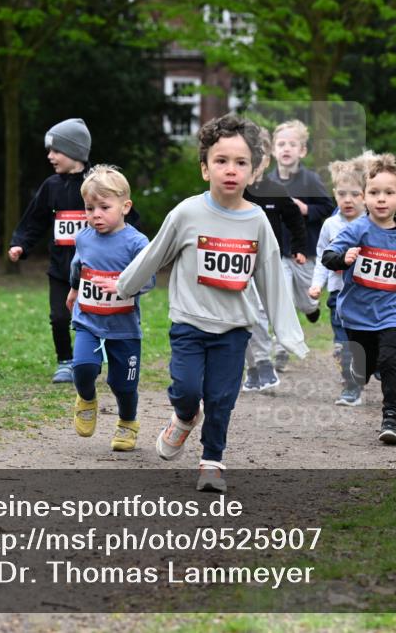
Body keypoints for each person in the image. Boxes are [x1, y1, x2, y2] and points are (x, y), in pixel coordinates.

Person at [104, 114, 308, 493]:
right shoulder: (187, 213)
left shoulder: (257, 222)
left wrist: (288, 334)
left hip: (235, 328)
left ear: (253, 171)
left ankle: (212, 460)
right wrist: (126, 285)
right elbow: (154, 253)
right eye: (221, 161)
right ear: (205, 168)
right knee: (186, 389)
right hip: (189, 323)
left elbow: (271, 280)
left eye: (241, 162)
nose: (231, 170)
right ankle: (184, 417)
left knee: (221, 398)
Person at [322, 153, 396, 446]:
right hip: (358, 313)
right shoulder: (357, 229)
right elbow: (327, 256)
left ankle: (391, 419)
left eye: (388, 193)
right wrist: (343, 258)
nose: (381, 199)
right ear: (364, 197)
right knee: (363, 369)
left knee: (390, 360)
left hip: (393, 310)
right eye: (374, 192)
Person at [64, 166, 153, 448]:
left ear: (125, 207)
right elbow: (78, 266)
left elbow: (149, 280)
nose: (96, 215)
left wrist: (122, 285)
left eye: (104, 207)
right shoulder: (83, 238)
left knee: (123, 385)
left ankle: (127, 422)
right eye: (89, 208)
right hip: (88, 319)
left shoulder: (137, 243)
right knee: (82, 368)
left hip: (124, 327)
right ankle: (86, 398)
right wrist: (74, 289)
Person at [8, 119, 92, 384]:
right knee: (59, 317)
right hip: (60, 269)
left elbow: (123, 215)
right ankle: (65, 361)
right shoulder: (51, 186)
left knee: (93, 317)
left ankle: (91, 359)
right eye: (49, 151)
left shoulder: (97, 184)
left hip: (93, 270)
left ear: (74, 151)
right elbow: (35, 219)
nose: (50, 156)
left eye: (56, 150)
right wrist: (21, 243)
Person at [264, 119, 334, 372]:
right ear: (273, 150)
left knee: (306, 301)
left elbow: (328, 207)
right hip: (278, 251)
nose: (286, 148)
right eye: (281, 144)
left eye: (292, 144)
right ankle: (281, 350)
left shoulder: (310, 180)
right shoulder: (267, 182)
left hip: (305, 252)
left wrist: (305, 209)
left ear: (302, 151)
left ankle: (311, 309)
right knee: (282, 299)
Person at [241, 128, 307, 392]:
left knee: (261, 312)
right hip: (238, 261)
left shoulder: (275, 190)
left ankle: (264, 361)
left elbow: (294, 218)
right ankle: (255, 366)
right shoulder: (234, 191)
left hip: (269, 261)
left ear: (266, 160)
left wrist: (299, 247)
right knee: (245, 313)